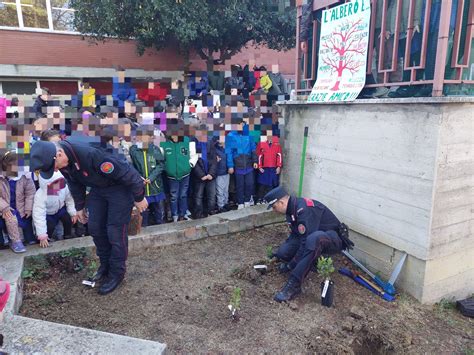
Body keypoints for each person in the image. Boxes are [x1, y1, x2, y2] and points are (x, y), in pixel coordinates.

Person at [29, 139, 148, 295]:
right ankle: (105, 266)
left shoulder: (93, 154)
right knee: (95, 228)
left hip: (119, 187)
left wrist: (139, 197)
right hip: (99, 188)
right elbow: (74, 182)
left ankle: (117, 273)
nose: (57, 170)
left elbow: (127, 172)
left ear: (58, 154)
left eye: (56, 167)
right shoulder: (62, 160)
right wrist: (79, 207)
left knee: (115, 231)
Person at [264, 186, 351, 302]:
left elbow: (306, 242)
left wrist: (292, 264)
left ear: (281, 202)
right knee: (283, 252)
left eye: (274, 207)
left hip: (334, 239)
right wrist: (283, 254)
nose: (274, 210)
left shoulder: (303, 210)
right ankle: (313, 260)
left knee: (314, 239)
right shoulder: (291, 210)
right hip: (314, 236)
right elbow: (296, 235)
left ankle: (294, 285)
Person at [129, 127, 166, 227]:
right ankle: (143, 226)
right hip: (142, 186)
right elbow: (131, 166)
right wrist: (140, 178)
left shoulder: (155, 149)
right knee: (143, 209)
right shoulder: (133, 150)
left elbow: (161, 165)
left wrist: (151, 177)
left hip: (155, 185)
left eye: (148, 137)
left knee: (158, 207)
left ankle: (160, 225)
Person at [32, 170, 77, 247]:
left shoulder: (63, 187)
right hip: (48, 213)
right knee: (50, 226)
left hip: (60, 209)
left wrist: (73, 213)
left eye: (61, 182)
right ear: (47, 185)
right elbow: (38, 215)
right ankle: (45, 239)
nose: (60, 186)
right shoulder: (40, 196)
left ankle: (67, 236)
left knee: (68, 219)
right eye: (57, 184)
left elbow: (69, 199)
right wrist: (42, 234)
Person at [0, 151, 34, 253]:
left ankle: (29, 238)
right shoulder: (2, 178)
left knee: (26, 223)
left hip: (20, 206)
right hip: (6, 208)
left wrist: (28, 208)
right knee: (11, 219)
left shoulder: (25, 176)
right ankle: (15, 241)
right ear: (6, 166)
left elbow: (30, 193)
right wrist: (4, 207)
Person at [160, 131, 197, 222]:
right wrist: (168, 168)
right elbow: (161, 158)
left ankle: (183, 214)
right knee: (174, 196)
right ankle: (175, 216)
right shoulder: (164, 144)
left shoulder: (187, 141)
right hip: (172, 176)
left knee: (183, 195)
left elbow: (194, 155)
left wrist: (190, 165)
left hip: (185, 174)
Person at [191, 138, 218, 219]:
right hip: (199, 176)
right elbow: (193, 162)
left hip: (210, 175)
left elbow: (214, 160)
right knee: (198, 196)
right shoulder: (193, 144)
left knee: (212, 195)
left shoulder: (210, 143)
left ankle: (211, 212)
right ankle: (198, 214)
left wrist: (211, 174)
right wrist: (201, 175)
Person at [256, 134, 282, 203]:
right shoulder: (262, 144)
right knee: (262, 184)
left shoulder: (277, 145)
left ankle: (268, 199)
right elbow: (259, 156)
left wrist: (278, 166)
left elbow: (279, 156)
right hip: (264, 168)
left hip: (273, 168)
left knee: (271, 184)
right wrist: (260, 166)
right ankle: (260, 199)